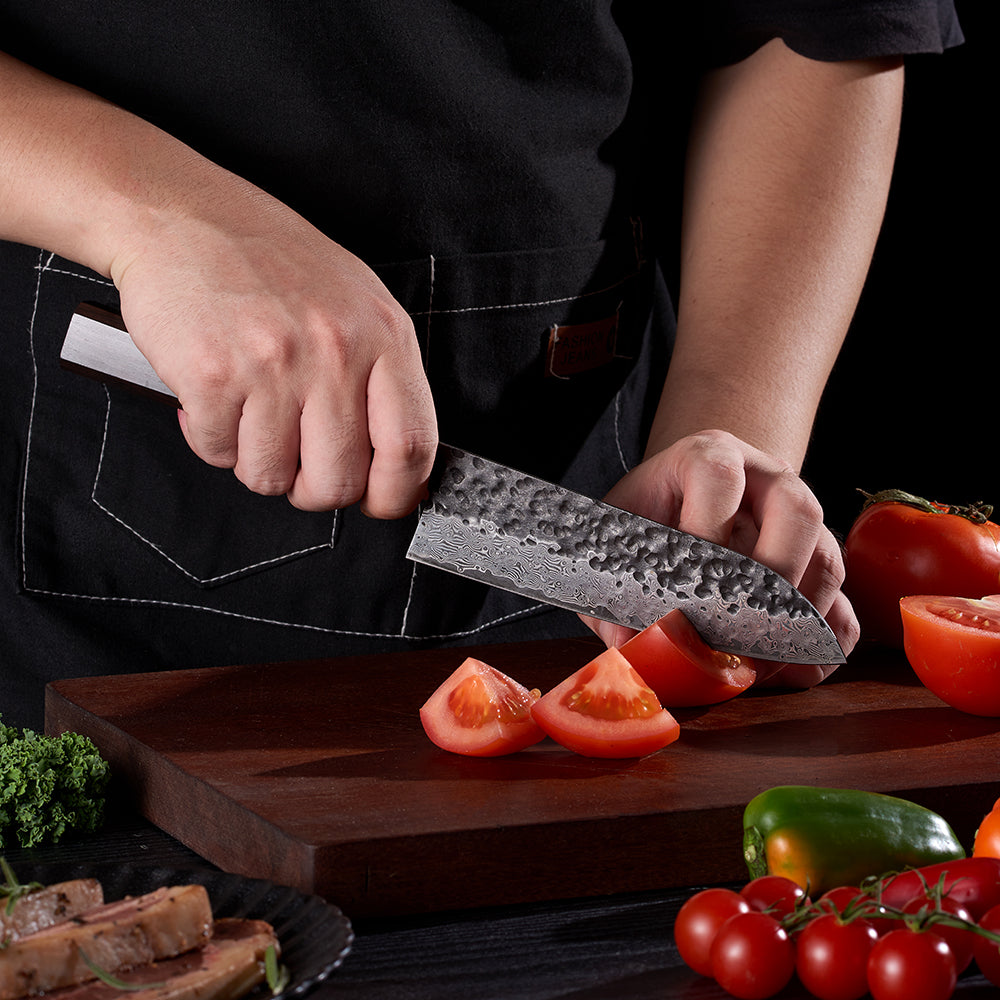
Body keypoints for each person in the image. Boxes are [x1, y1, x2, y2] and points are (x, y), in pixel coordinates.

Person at [0, 3, 962, 729]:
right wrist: (166, 220)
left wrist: (727, 444)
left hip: (591, 496)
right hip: (87, 602)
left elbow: (813, 21)